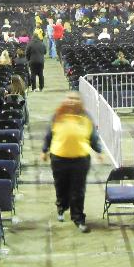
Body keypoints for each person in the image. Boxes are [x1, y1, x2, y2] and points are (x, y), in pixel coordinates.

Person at [41, 93, 103, 233]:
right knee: (61, 186)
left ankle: (78, 218)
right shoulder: (57, 116)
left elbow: (93, 136)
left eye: (75, 99)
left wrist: (99, 151)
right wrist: (44, 150)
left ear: (80, 101)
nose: (72, 101)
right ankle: (62, 206)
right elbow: (49, 135)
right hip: (59, 158)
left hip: (80, 159)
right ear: (65, 100)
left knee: (78, 190)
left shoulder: (86, 117)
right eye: (70, 98)